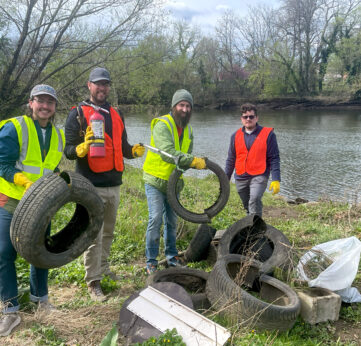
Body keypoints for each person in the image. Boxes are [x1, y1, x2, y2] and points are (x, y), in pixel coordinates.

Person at [64, 67, 145, 301]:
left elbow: (123, 147)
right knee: (93, 235)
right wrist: (80, 149)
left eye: (106, 84)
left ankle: (104, 268)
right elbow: (69, 151)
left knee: (108, 231)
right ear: (89, 85)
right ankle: (93, 282)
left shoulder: (115, 113)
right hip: (90, 186)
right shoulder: (78, 113)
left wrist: (133, 151)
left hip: (114, 184)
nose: (102, 88)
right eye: (98, 84)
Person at [0, 85, 65, 337]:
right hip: (12, 199)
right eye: (41, 101)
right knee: (4, 253)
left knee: (40, 252)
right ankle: (9, 310)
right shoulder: (15, 127)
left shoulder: (58, 136)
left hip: (40, 203)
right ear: (31, 103)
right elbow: (2, 164)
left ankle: (41, 300)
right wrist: (22, 180)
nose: (45, 106)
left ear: (54, 107)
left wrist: (64, 182)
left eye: (50, 102)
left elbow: (51, 168)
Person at [143, 89, 206, 275]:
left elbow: (186, 155)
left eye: (188, 106)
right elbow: (168, 152)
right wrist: (192, 161)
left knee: (171, 221)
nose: (185, 109)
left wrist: (192, 163)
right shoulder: (162, 124)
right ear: (174, 106)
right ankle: (151, 262)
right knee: (155, 219)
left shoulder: (189, 129)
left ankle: (171, 258)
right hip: (155, 180)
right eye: (182, 105)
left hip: (174, 183)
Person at [225, 103, 280, 217]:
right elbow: (231, 159)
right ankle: (253, 223)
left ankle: (255, 231)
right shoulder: (234, 136)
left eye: (251, 116)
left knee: (254, 199)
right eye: (245, 117)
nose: (248, 119)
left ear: (256, 118)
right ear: (241, 119)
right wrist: (225, 178)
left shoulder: (268, 134)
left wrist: (276, 179)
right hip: (241, 177)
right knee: (248, 206)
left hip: (260, 175)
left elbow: (274, 158)